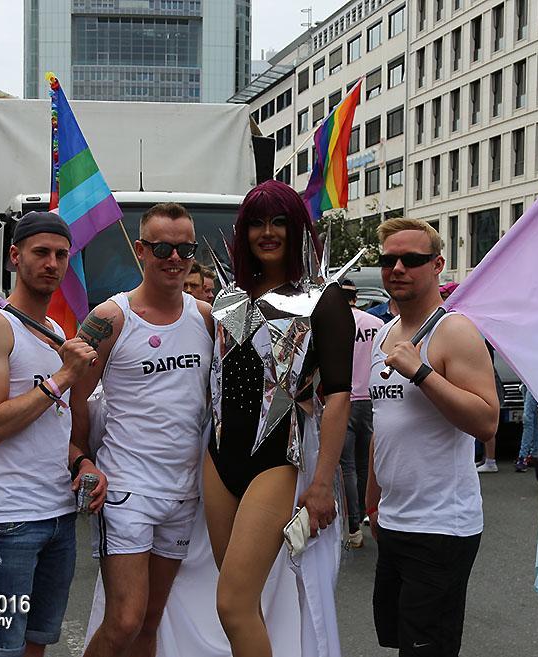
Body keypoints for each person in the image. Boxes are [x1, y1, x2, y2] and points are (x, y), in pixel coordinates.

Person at [205, 180, 353, 657]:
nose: (267, 232)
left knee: (233, 603)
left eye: (279, 222)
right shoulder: (226, 298)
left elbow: (339, 397)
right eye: (256, 223)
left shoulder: (324, 299)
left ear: (297, 229)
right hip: (217, 460)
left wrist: (322, 483)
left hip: (275, 459)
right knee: (240, 599)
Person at [74, 203, 214, 657]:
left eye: (184, 248)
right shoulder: (110, 318)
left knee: (151, 622)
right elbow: (74, 396)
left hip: (183, 493)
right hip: (128, 490)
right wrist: (80, 455)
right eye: (162, 248)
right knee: (124, 620)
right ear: (141, 250)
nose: (174, 258)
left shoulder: (207, 318)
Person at [0, 211, 104, 657]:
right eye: (41, 252)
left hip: (59, 517)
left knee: (38, 644)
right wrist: (63, 377)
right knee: (3, 649)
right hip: (9, 521)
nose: (52, 263)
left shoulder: (56, 332)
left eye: (61, 255)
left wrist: (81, 461)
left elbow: (50, 427)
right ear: (14, 256)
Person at [365, 217, 499, 657]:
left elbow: (486, 421)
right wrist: (372, 502)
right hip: (395, 519)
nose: (397, 268)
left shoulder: (455, 330)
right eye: (388, 259)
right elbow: (382, 426)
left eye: (412, 259)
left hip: (442, 526)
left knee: (427, 649)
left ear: (438, 264)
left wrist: (421, 372)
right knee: (400, 640)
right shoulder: (384, 334)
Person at [339, 278, 384, 548]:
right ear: (356, 298)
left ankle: (353, 526)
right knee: (369, 461)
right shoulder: (377, 324)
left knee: (348, 467)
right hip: (372, 399)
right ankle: (370, 513)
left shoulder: (335, 324)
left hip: (344, 399)